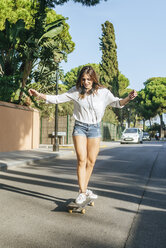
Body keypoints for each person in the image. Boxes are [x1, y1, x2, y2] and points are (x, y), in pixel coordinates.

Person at [29, 66, 137, 204]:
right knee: (82, 160)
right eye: (83, 79)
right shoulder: (76, 92)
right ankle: (82, 192)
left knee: (91, 162)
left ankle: (85, 190)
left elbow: (117, 102)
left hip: (94, 129)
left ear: (94, 79)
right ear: (80, 80)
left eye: (89, 79)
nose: (86, 82)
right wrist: (39, 95)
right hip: (79, 127)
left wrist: (129, 97)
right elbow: (57, 98)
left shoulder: (103, 92)